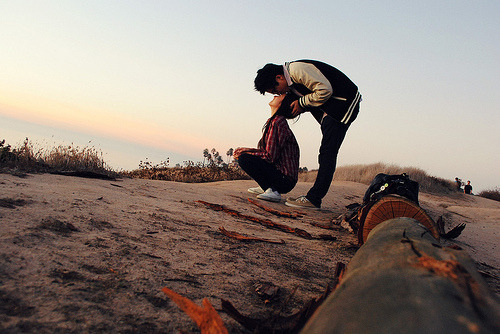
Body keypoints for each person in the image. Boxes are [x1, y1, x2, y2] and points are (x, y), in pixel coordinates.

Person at [254, 60, 361, 209]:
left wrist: (302, 103)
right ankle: (270, 185)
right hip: (330, 108)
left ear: (279, 77)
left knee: (327, 153)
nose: (278, 93)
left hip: (344, 104)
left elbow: (325, 90)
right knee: (325, 152)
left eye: (275, 90)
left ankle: (314, 199)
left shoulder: (297, 70)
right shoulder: (291, 83)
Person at [233, 93, 300, 203]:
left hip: (284, 180)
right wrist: (247, 150)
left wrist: (246, 152)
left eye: (280, 95)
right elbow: (270, 153)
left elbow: (269, 156)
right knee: (245, 156)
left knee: (244, 159)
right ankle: (266, 187)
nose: (275, 95)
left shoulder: (278, 122)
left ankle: (272, 190)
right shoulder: (275, 121)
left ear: (283, 103)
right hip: (283, 178)